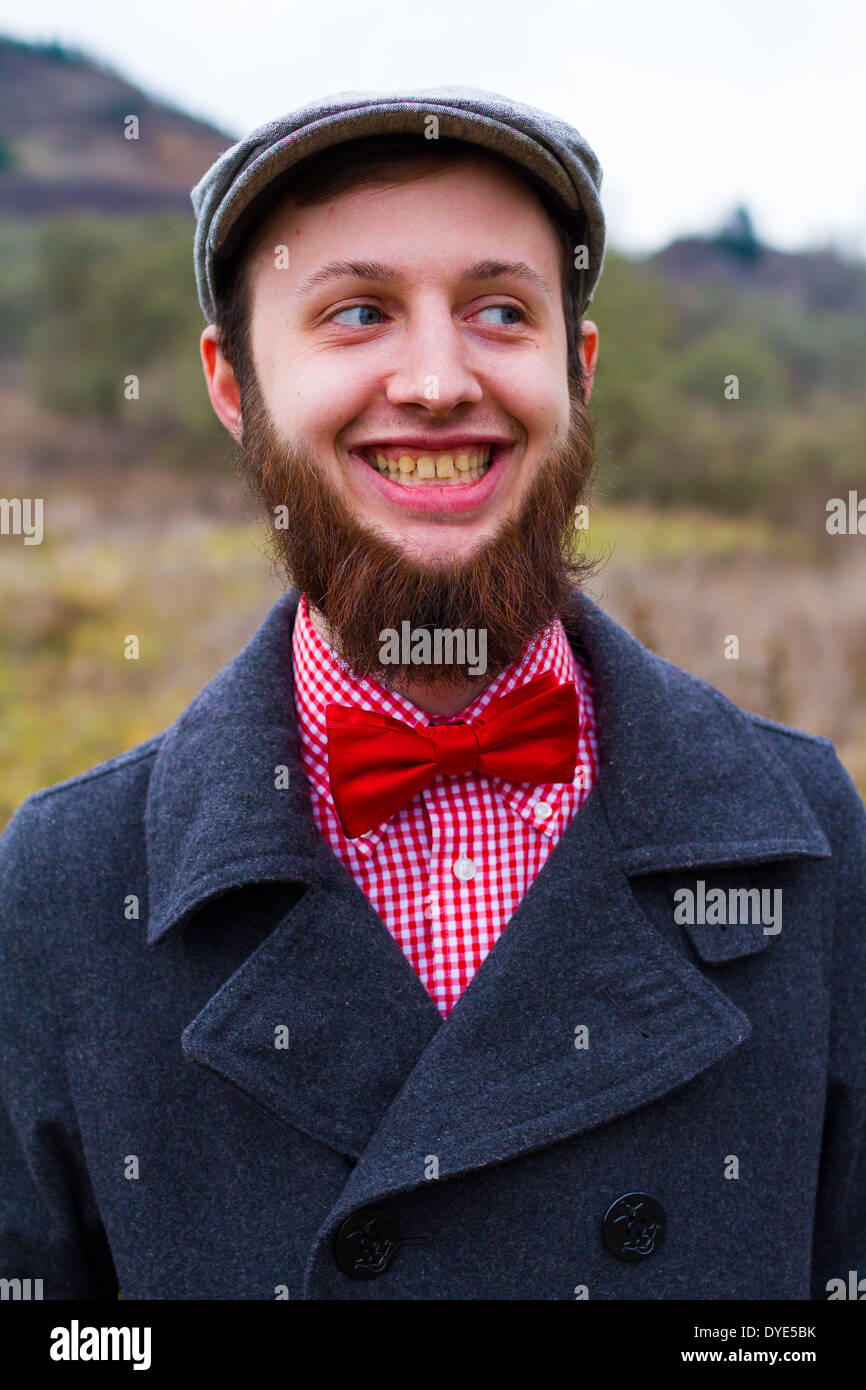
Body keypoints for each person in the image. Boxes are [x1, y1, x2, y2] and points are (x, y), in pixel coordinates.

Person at [1, 87, 864, 1301]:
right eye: (356, 313)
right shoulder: (62, 884)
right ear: (233, 384)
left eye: (498, 312)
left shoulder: (807, 835)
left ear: (577, 369)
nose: (435, 381)